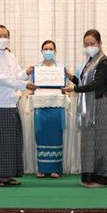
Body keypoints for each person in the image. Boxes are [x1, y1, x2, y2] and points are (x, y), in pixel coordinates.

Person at [0, 25, 34, 187]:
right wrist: (25, 86)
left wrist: (26, 73)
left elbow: (15, 75)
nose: (3, 39)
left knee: (10, 142)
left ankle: (6, 176)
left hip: (10, 103)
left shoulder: (10, 55)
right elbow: (0, 78)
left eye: (5, 35)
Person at [66, 29, 107, 187]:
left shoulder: (104, 62)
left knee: (101, 141)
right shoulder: (89, 62)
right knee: (89, 141)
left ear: (100, 43)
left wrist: (74, 89)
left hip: (101, 104)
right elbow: (83, 83)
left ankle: (103, 178)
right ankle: (89, 176)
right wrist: (69, 76)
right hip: (89, 105)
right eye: (86, 44)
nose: (89, 46)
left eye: (92, 43)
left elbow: (97, 84)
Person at [30, 40, 67, 178]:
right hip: (40, 106)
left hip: (56, 106)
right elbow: (32, 86)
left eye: (50, 49)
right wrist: (31, 91)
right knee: (41, 134)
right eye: (45, 49)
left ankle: (55, 169)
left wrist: (66, 91)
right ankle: (42, 168)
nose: (48, 51)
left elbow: (65, 86)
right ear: (41, 51)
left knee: (56, 134)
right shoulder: (36, 69)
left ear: (55, 51)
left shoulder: (61, 69)